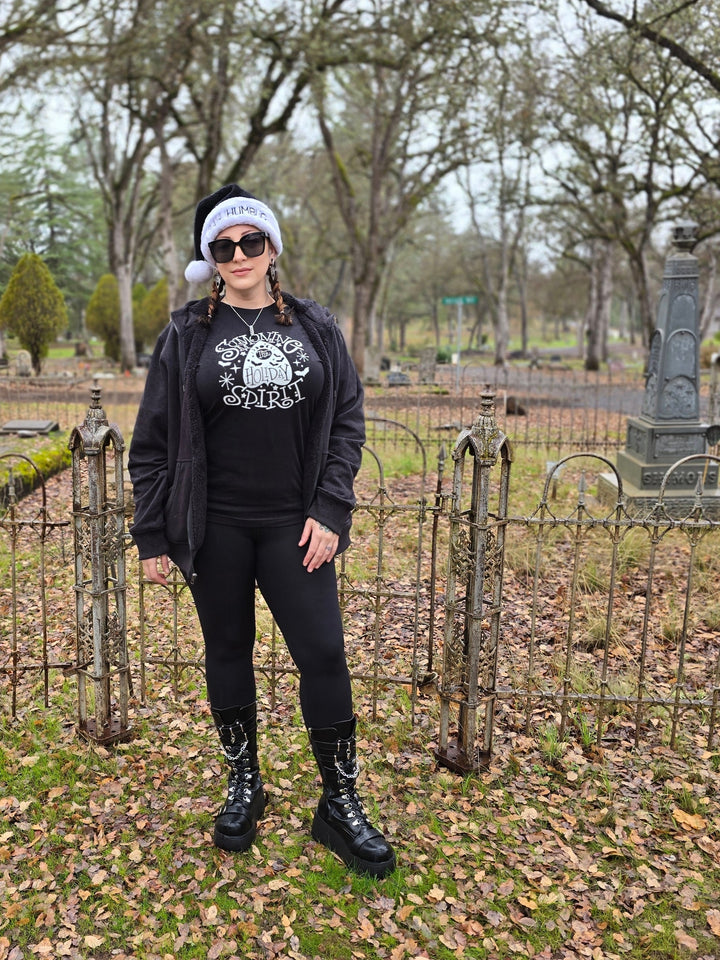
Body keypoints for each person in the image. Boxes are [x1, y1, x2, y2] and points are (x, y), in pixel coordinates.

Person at [128, 184, 396, 879]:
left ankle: (339, 801)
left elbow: (345, 423)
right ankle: (245, 784)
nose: (239, 254)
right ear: (210, 258)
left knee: (324, 655)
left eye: (252, 241)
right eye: (224, 246)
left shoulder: (313, 327)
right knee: (228, 651)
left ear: (272, 248)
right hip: (214, 527)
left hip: (294, 525)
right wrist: (153, 534)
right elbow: (153, 441)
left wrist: (331, 510)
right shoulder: (187, 334)